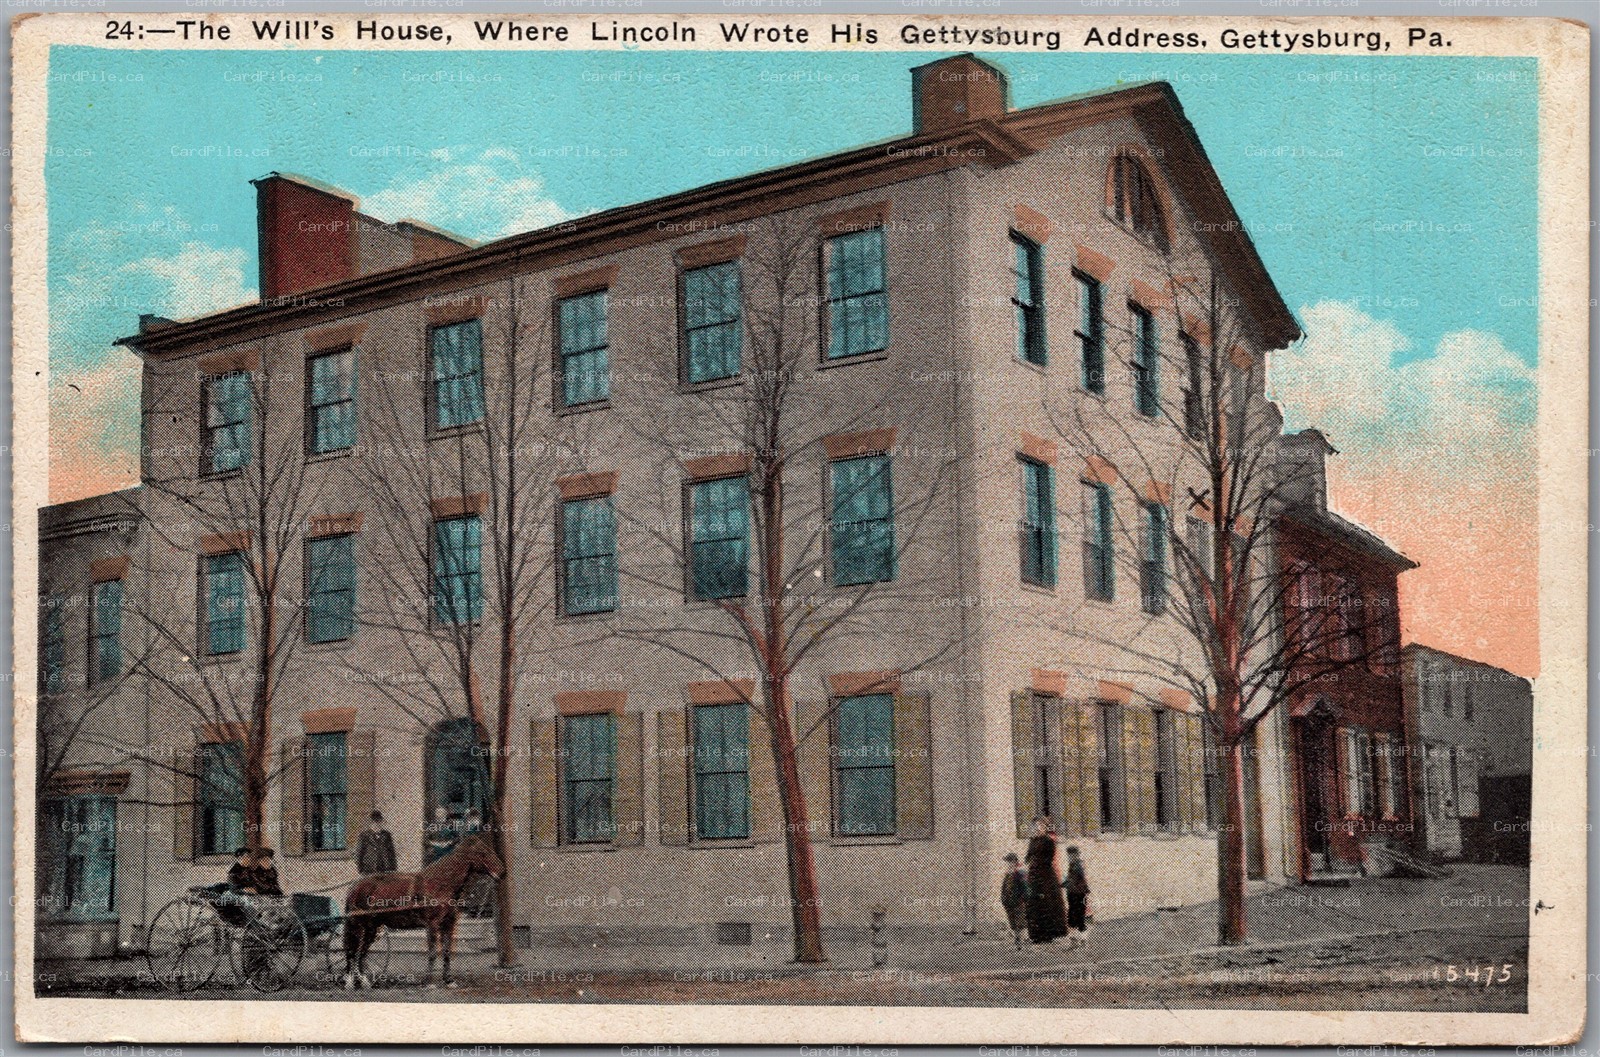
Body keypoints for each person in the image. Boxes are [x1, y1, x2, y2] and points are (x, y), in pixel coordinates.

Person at [1024, 817, 1069, 944]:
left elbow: (1048, 859)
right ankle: (1036, 935)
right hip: (1033, 875)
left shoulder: (1048, 841)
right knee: (1034, 903)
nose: (1038, 828)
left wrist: (1036, 863)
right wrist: (1030, 862)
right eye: (1036, 826)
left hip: (1045, 876)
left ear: (1045, 827)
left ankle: (1049, 933)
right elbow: (1028, 856)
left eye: (1041, 826)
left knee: (1046, 903)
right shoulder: (1032, 840)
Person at [1062, 844, 1091, 948]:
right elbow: (1072, 879)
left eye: (1071, 855)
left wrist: (1067, 883)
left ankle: (1082, 941)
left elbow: (1079, 878)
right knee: (1072, 918)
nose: (1069, 857)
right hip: (1073, 894)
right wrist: (1064, 883)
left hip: (1078, 894)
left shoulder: (1078, 865)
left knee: (1079, 918)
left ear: (1075, 855)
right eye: (1068, 855)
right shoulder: (1074, 865)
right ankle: (1075, 941)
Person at [999, 852, 1030, 950]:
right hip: (1009, 902)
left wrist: (1023, 899)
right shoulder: (1008, 873)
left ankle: (1020, 943)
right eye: (1007, 862)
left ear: (1014, 861)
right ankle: (1018, 942)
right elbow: (1004, 888)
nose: (1007, 864)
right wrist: (1003, 899)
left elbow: (1025, 888)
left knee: (1019, 923)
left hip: (1018, 902)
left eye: (1009, 861)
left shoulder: (1020, 872)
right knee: (1013, 923)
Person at [356, 810, 398, 875]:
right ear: (370, 824)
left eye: (379, 822)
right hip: (369, 870)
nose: (376, 824)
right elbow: (359, 854)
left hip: (385, 870)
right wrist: (361, 870)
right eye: (374, 822)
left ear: (381, 822)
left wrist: (393, 868)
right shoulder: (364, 836)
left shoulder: (387, 835)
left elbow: (392, 852)